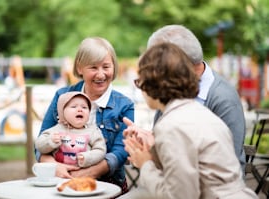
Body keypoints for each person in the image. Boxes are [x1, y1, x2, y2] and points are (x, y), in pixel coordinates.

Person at [119, 43, 257, 199]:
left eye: (140, 81)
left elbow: (180, 195)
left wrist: (145, 165)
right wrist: (153, 149)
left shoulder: (171, 125)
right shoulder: (199, 112)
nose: (140, 89)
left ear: (152, 83)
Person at [35, 37, 134, 194]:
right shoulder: (62, 96)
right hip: (62, 184)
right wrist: (54, 167)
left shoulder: (125, 105)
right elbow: (41, 142)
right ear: (80, 68)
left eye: (106, 67)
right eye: (93, 67)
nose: (101, 74)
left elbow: (121, 151)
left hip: (107, 186)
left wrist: (88, 173)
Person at [147, 24, 246, 173]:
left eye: (158, 64)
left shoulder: (223, 99)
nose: (154, 72)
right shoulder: (172, 90)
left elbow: (228, 165)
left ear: (178, 64)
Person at [34, 91, 106, 168]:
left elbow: (100, 150)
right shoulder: (56, 130)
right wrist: (50, 141)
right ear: (62, 112)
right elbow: (39, 145)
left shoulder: (93, 131)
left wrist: (87, 157)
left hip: (83, 175)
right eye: (74, 107)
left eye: (84, 107)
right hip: (57, 175)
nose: (80, 110)